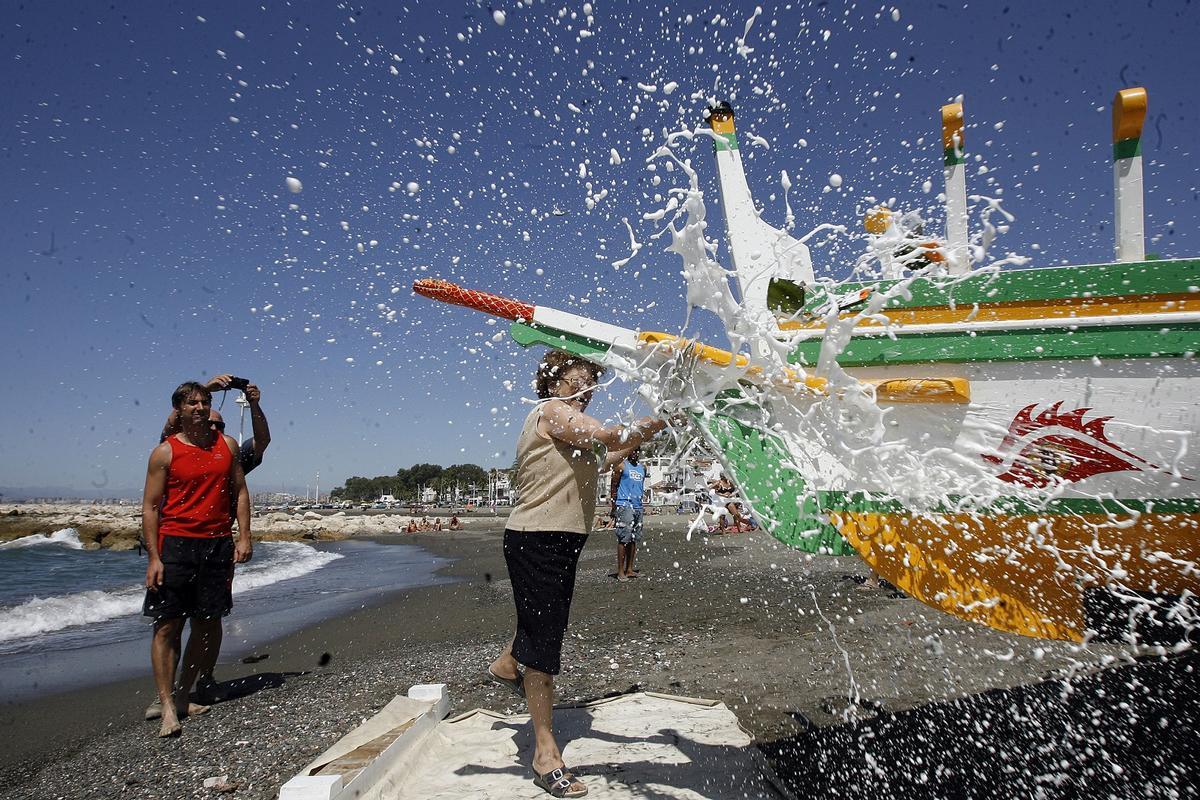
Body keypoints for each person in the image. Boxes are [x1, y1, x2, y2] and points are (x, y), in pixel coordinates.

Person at [487, 350, 669, 798]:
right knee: (547, 640)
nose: (584, 391)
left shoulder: (570, 428)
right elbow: (608, 436)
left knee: (544, 624)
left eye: (590, 383)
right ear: (552, 383)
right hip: (536, 539)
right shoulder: (550, 411)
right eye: (576, 381)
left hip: (562, 540)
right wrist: (661, 416)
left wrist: (655, 429)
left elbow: (605, 457)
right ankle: (545, 753)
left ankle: (509, 662)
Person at [150, 374, 270, 710]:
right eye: (200, 412)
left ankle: (202, 679)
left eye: (218, 422)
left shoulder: (228, 452)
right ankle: (167, 695)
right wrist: (206, 389)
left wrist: (256, 404)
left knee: (210, 619)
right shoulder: (174, 447)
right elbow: (177, 415)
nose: (209, 424)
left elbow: (262, 442)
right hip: (175, 543)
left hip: (215, 544)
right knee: (170, 622)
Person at [609, 448, 648, 581]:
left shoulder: (643, 468)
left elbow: (640, 487)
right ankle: (620, 571)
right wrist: (614, 507)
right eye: (632, 450)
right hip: (624, 505)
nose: (635, 453)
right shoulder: (621, 465)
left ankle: (630, 569)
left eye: (637, 451)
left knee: (634, 538)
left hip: (638, 506)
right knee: (623, 538)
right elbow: (613, 486)